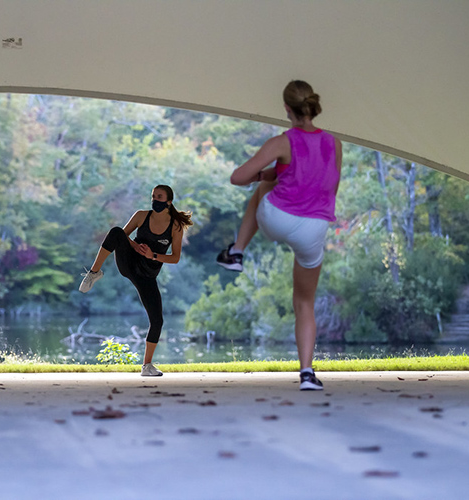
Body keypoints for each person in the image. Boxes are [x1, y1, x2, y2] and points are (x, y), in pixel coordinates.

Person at [216, 80, 342, 391]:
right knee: (304, 302)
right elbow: (328, 185)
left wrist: (268, 174)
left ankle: (237, 251)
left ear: (286, 109)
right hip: (314, 227)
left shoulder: (281, 142)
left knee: (261, 188)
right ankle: (308, 374)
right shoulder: (334, 144)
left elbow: (237, 177)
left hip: (278, 218)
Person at [79, 185, 192, 376]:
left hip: (147, 275)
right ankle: (94, 272)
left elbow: (175, 257)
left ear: (169, 201)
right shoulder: (141, 216)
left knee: (157, 321)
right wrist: (136, 246)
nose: (155, 199)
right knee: (115, 231)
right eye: (153, 196)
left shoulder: (175, 226)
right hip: (129, 264)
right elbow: (122, 237)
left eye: (159, 196)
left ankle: (147, 366)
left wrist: (153, 255)